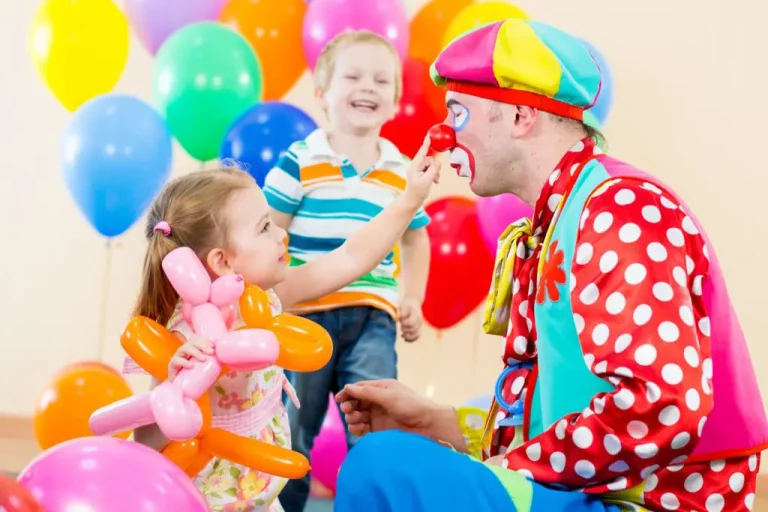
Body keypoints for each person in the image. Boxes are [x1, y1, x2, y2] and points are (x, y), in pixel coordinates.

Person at [332, 18, 768, 512]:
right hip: (601, 493)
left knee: (383, 467)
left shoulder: (618, 209)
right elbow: (560, 403)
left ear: (520, 116)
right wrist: (442, 422)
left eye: (457, 113)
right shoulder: (563, 217)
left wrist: (501, 470)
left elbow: (661, 405)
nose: (443, 136)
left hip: (649, 503)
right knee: (396, 455)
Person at [123, 147, 439, 512]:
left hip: (259, 488)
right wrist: (177, 386)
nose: (281, 235)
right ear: (222, 262)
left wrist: (410, 198)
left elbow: (351, 257)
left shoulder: (266, 300)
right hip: (204, 497)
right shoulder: (185, 336)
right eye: (265, 227)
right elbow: (146, 443)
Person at [263, 31, 431, 511]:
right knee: (294, 431)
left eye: (382, 80)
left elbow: (416, 236)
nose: (369, 87)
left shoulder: (401, 170)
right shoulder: (301, 159)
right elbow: (269, 230)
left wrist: (411, 297)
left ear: (395, 101)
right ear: (322, 95)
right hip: (304, 318)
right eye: (353, 76)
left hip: (372, 317)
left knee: (377, 425)